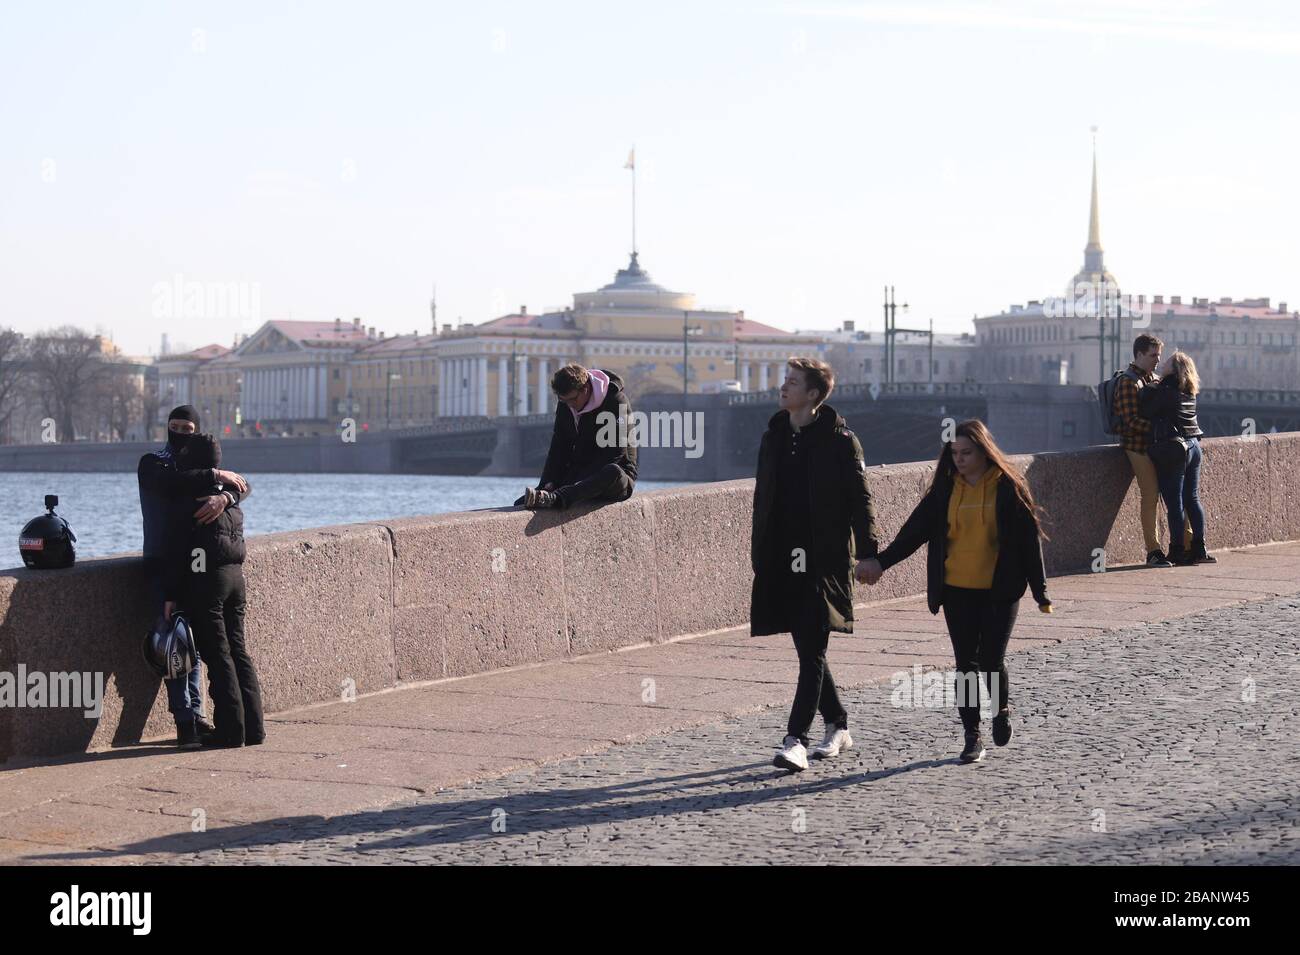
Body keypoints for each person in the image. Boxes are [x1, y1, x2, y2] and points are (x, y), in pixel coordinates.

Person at [859, 420, 1052, 764]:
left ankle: (1001, 710)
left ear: (984, 451)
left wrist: (1041, 591)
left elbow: (1028, 542)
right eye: (954, 453)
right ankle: (972, 735)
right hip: (957, 590)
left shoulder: (1008, 487)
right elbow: (912, 534)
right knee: (966, 665)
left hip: (1000, 590)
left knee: (992, 660)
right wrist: (881, 562)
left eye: (967, 453)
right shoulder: (946, 491)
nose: (959, 459)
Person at [750, 358, 879, 772]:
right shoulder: (774, 436)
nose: (782, 388)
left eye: (792, 383)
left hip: (824, 559)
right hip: (783, 556)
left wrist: (869, 552)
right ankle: (838, 724)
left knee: (812, 649)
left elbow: (861, 500)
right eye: (784, 381)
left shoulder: (842, 441)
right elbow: (762, 499)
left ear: (812, 394)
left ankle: (796, 741)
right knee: (809, 648)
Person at [137, 405, 248, 748]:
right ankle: (185, 722)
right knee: (172, 644)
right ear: (166, 427)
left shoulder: (202, 466)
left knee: (193, 644)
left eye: (188, 428)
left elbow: (244, 486)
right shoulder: (154, 462)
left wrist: (225, 496)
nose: (181, 433)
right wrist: (218, 476)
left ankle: (197, 716)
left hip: (196, 566)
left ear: (197, 431)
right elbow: (170, 483)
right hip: (162, 561)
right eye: (175, 426)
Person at [176, 432, 265, 747]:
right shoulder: (228, 492)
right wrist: (228, 494)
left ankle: (230, 731)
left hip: (208, 580)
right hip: (235, 578)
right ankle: (253, 729)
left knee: (218, 656)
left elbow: (181, 546)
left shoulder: (193, 494)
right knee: (238, 651)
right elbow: (245, 485)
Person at [516, 363, 638, 510]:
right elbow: (559, 447)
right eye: (563, 400)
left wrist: (573, 483)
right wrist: (546, 483)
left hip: (616, 478)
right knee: (519, 504)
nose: (570, 405)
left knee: (612, 471)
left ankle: (557, 498)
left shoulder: (616, 402)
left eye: (572, 400)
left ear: (585, 389)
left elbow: (615, 454)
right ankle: (551, 496)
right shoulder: (566, 403)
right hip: (578, 476)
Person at [1139, 350, 1213, 567]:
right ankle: (1199, 549)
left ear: (1176, 369)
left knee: (1175, 503)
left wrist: (1149, 389)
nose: (1162, 364)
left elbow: (1146, 410)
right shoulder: (1189, 390)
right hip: (1194, 447)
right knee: (1193, 499)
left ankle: (1177, 550)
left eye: (1168, 362)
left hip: (1176, 449)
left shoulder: (1166, 389)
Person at [1114, 334, 1174, 567]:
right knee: (1150, 496)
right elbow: (1130, 421)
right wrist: (1159, 429)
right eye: (1153, 355)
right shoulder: (1128, 381)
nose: (1157, 360)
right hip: (1137, 447)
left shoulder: (1154, 378)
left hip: (1155, 446)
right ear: (1139, 354)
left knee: (1171, 494)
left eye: (1159, 355)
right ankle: (1153, 551)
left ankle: (1187, 545)